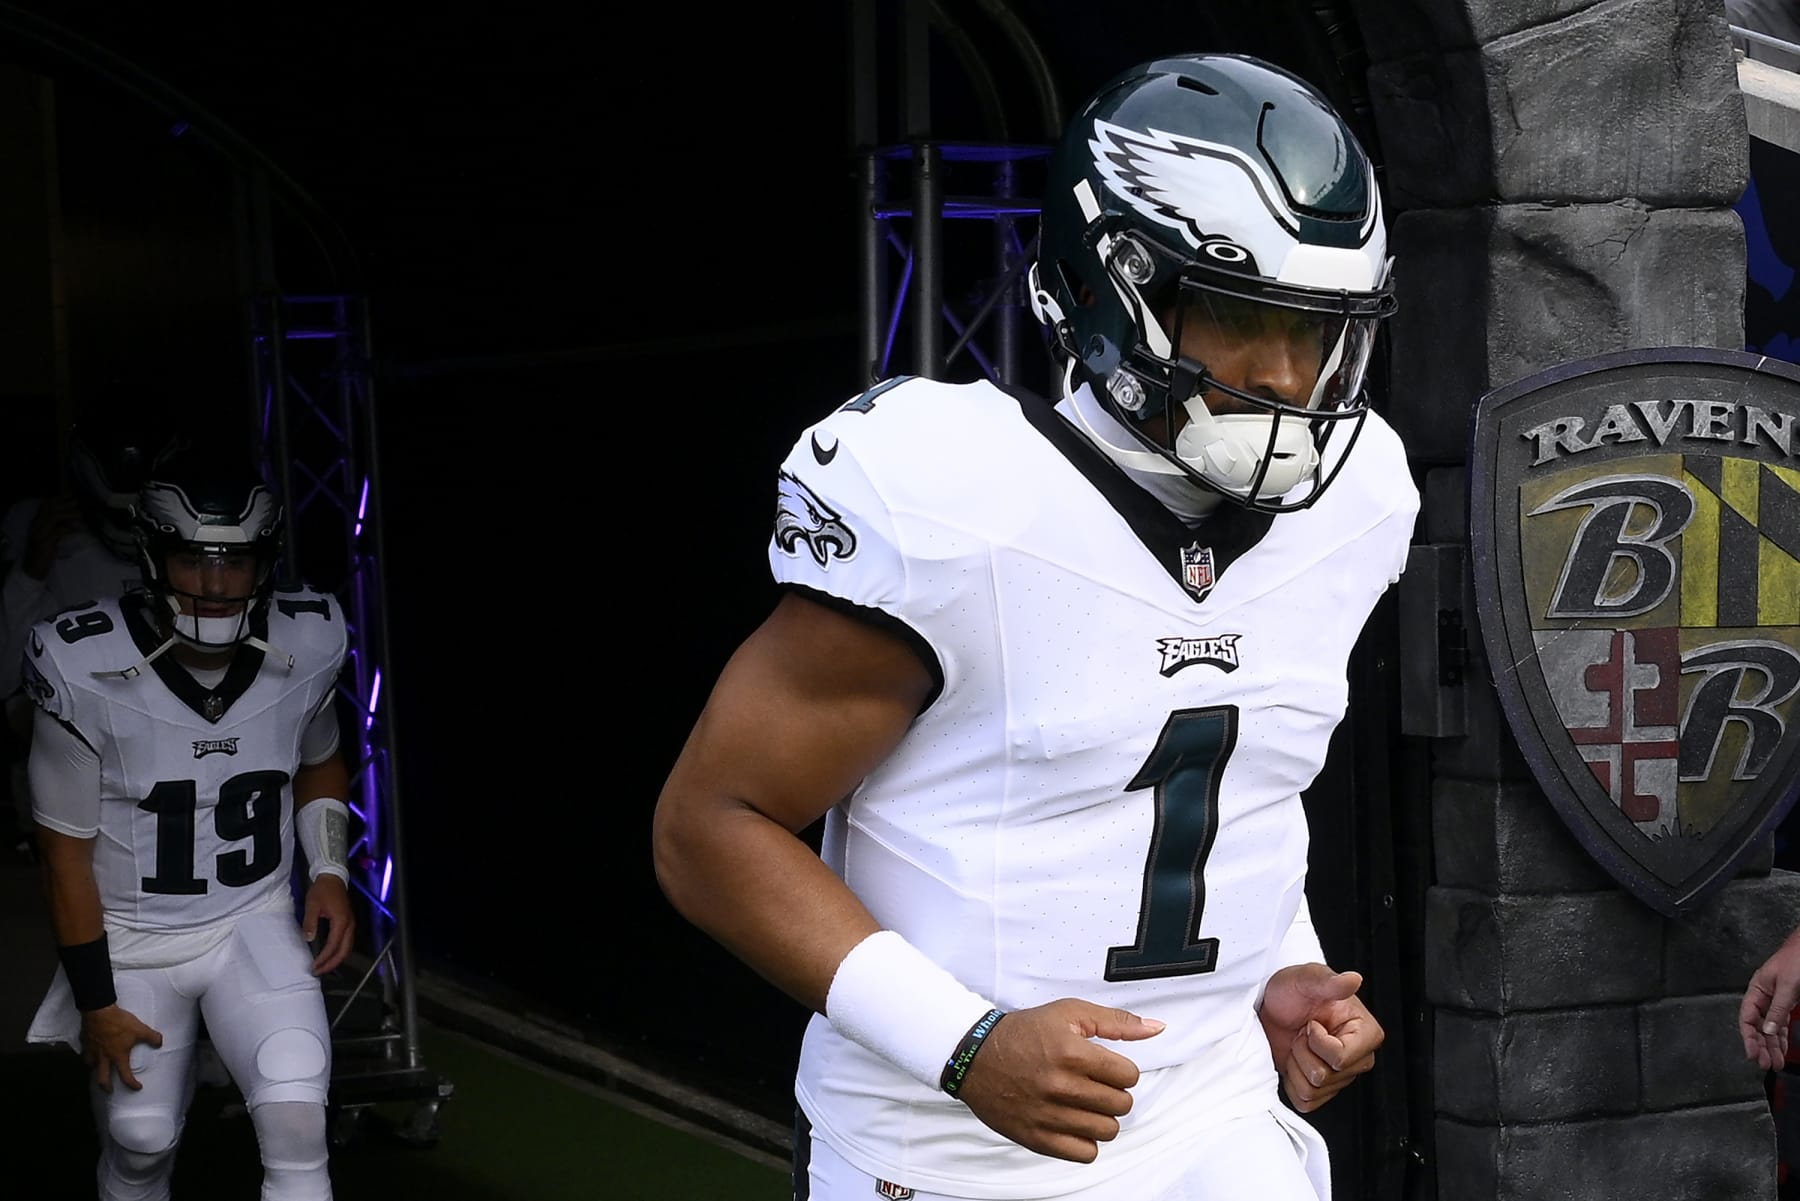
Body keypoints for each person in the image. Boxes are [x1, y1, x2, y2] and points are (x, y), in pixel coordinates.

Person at [652, 52, 1419, 1201]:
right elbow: (711, 825)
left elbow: (1240, 766)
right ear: (1110, 288)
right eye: (1236, 317)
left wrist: (1284, 965)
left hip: (1217, 1122)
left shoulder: (1360, 503)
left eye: (1316, 332)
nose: (1286, 377)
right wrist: (965, 1044)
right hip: (954, 1155)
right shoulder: (955, 499)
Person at [22, 438, 355, 1201]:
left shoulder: (307, 640)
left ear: (264, 564)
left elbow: (321, 758)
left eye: (234, 562)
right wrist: (97, 1003)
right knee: (140, 1143)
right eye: (194, 560)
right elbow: (64, 856)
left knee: (299, 1120)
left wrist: (330, 871)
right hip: (133, 936)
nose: (213, 585)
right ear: (152, 557)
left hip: (252, 918)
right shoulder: (81, 664)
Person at [0, 409, 177, 848]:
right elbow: (9, 682)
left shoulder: (189, 542)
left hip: (177, 763)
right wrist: (31, 571)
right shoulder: (45, 535)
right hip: (79, 783)